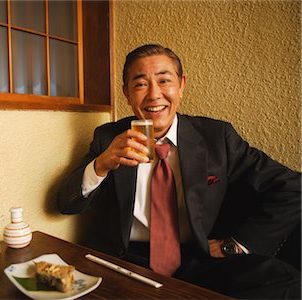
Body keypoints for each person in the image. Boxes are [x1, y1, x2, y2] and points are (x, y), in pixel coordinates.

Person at [57, 44, 301, 299]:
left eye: (164, 80)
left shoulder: (217, 137)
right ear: (126, 93)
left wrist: (234, 246)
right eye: (140, 84)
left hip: (199, 259)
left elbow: (292, 187)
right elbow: (66, 203)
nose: (154, 95)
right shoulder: (108, 137)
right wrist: (101, 164)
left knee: (289, 284)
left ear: (182, 85)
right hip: (126, 262)